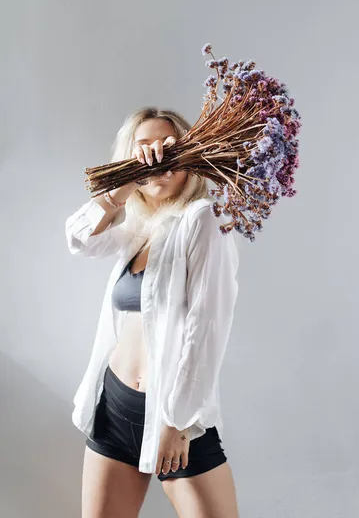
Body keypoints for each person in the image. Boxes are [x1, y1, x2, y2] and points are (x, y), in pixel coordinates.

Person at [65, 107, 240, 517]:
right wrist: (119, 187)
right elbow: (78, 238)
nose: (157, 161)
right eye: (144, 150)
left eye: (168, 150)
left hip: (170, 412)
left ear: (189, 158)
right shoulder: (140, 227)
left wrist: (178, 422)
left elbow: (207, 327)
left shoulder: (204, 220)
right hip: (113, 407)